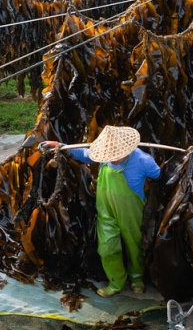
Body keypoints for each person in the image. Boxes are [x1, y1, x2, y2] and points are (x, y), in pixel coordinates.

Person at [43, 126, 160, 297]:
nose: (112, 158)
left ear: (127, 149)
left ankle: (137, 278)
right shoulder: (104, 154)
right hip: (105, 210)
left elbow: (159, 177)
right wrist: (59, 145)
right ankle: (116, 282)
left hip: (131, 212)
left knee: (135, 245)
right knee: (107, 248)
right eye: (109, 156)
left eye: (117, 155)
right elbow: (83, 154)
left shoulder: (144, 161)